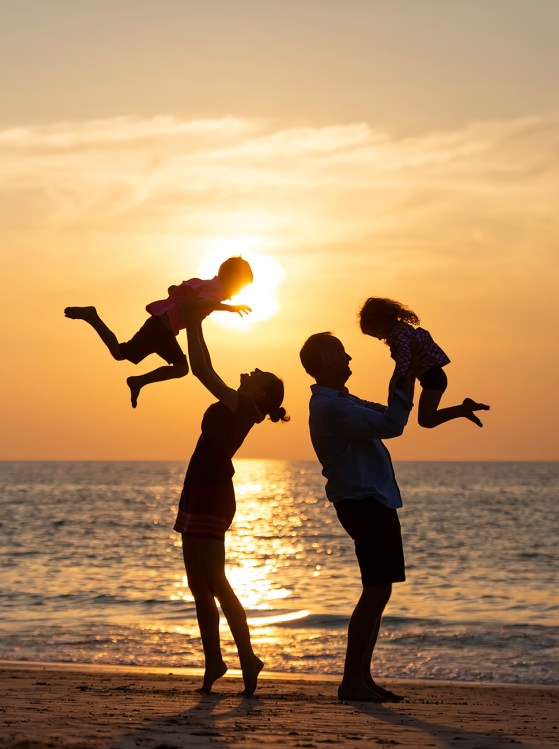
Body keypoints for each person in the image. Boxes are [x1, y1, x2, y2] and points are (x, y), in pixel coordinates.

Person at [174, 302, 289, 695]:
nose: (253, 370)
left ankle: (248, 657)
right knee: (197, 584)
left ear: (262, 393)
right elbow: (204, 366)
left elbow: (202, 370)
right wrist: (196, 322)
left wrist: (193, 323)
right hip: (198, 490)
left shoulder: (243, 407)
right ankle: (214, 662)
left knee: (217, 582)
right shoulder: (240, 404)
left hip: (212, 494)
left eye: (261, 374)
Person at [300, 330, 414, 702]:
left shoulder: (343, 401)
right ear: (326, 361)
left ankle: (361, 678)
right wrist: (405, 373)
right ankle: (352, 681)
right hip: (362, 500)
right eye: (341, 353)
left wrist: (406, 377)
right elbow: (393, 424)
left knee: (380, 590)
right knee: (376, 589)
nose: (349, 359)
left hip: (373, 499)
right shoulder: (332, 407)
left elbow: (389, 415)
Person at [64, 257, 254, 408]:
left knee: (176, 367)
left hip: (165, 330)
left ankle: (138, 381)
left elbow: (179, 292)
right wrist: (230, 308)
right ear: (232, 280)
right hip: (160, 329)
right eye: (240, 287)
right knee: (121, 353)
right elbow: (200, 303)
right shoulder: (216, 290)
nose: (237, 293)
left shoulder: (210, 284)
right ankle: (92, 317)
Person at [358, 296, 489, 428]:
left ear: (380, 323)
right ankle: (462, 409)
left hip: (433, 378)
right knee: (426, 420)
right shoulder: (401, 331)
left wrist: (394, 380)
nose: (379, 338)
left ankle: (462, 409)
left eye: (375, 334)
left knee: (426, 420)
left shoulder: (399, 334)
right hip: (431, 378)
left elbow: (405, 360)